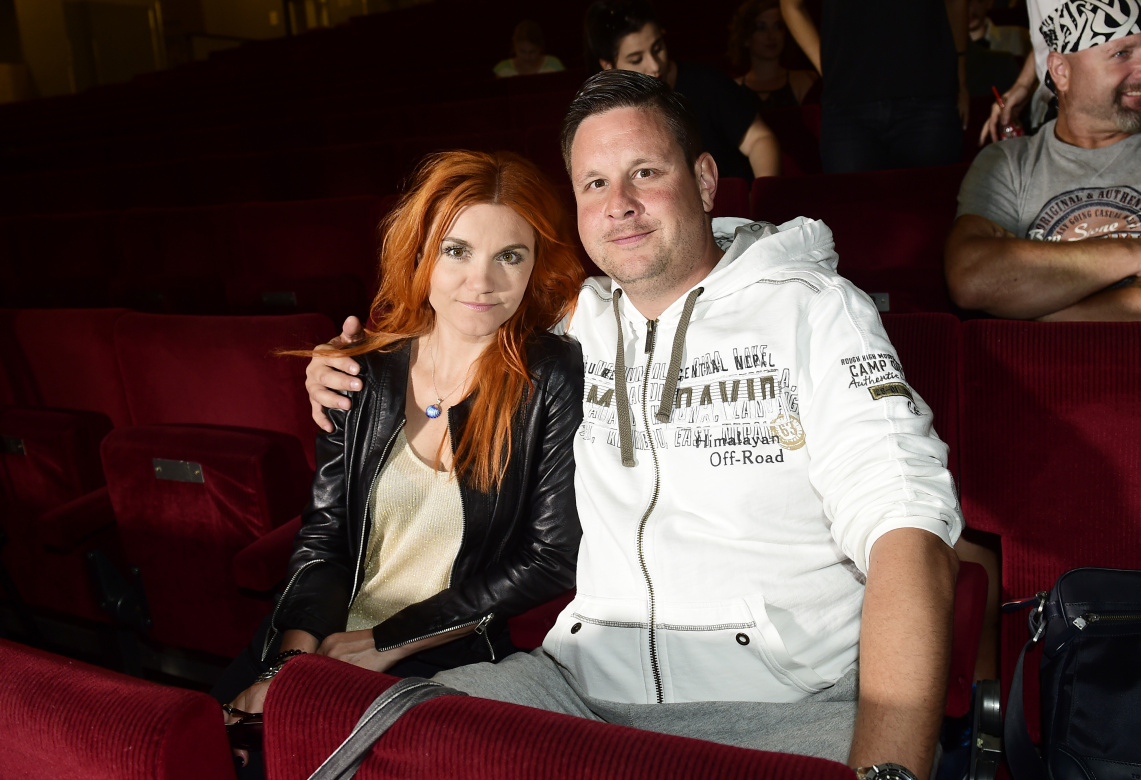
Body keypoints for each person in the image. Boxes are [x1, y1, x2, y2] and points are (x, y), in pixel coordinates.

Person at [307, 71, 962, 779]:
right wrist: (347, 363)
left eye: (644, 172)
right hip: (576, 687)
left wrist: (888, 770)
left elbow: (906, 529)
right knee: (360, 742)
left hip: (782, 701)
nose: (618, 203)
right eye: (594, 183)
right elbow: (455, 321)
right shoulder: (571, 324)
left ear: (704, 181)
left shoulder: (815, 310)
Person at [217, 150, 586, 761]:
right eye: (457, 251)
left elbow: (549, 558)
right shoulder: (357, 371)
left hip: (441, 647)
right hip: (315, 629)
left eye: (510, 256)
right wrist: (289, 666)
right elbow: (325, 538)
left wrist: (389, 640)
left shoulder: (552, 375)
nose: (482, 282)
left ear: (534, 268)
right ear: (421, 256)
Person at [945, 0, 1141, 320]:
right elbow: (972, 277)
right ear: (1061, 71)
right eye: (1122, 54)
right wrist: (1133, 253)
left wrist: (1041, 310)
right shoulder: (1009, 164)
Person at [584, 0, 780, 180]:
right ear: (608, 65)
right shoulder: (605, 116)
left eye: (658, 48)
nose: (654, 66)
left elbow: (759, 139)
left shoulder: (706, 83)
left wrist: (761, 197)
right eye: (636, 59)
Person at [781, 0, 970, 172]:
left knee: (932, 197)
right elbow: (791, 6)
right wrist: (829, 69)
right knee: (851, 198)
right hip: (848, 109)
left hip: (928, 99)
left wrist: (960, 79)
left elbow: (956, 3)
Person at [728, 0, 819, 108]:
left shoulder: (803, 81)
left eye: (777, 27)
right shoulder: (732, 89)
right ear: (745, 38)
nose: (771, 36)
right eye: (761, 28)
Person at [494, 20, 566, 78]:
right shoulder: (503, 69)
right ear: (515, 47)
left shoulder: (553, 65)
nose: (527, 57)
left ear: (540, 48)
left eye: (532, 52)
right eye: (522, 51)